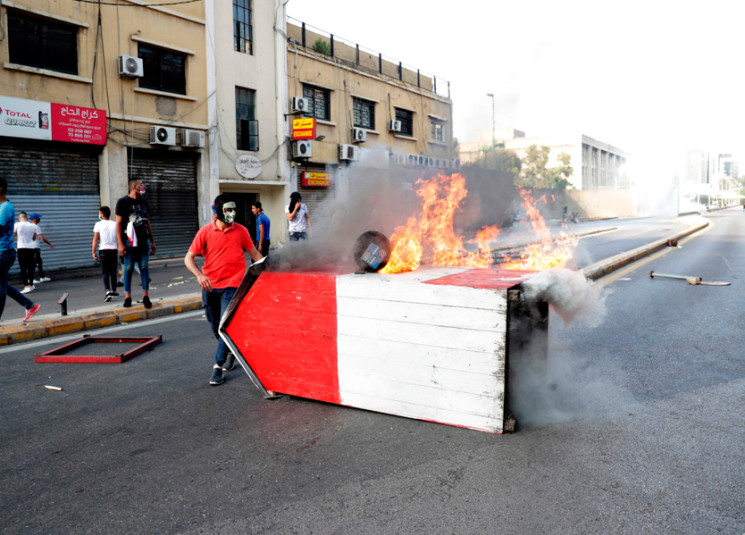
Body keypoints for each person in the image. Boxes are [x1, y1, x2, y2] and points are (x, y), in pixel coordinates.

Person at [184, 194, 263, 386]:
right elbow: (188, 258)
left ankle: (217, 366)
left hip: (233, 286)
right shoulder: (204, 232)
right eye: (228, 210)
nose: (232, 213)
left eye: (234, 209)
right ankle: (229, 350)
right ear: (218, 212)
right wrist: (200, 276)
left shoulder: (241, 231)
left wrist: (269, 269)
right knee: (214, 325)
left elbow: (255, 254)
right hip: (210, 286)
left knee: (224, 325)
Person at [0, 178, 40, 323]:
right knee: (2, 284)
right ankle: (29, 305)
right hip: (6, 250)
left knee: (0, 286)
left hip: (3, 251)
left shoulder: (5, 208)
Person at [115, 179, 156, 309]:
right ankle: (128, 297)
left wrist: (152, 241)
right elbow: (119, 223)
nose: (143, 187)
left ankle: (145, 296)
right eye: (140, 185)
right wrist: (120, 244)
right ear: (134, 187)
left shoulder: (144, 202)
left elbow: (147, 222)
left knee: (144, 267)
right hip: (129, 240)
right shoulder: (122, 202)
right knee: (128, 268)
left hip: (144, 240)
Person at [92, 206, 119, 302]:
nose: (99, 215)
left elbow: (95, 239)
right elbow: (119, 238)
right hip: (114, 250)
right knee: (113, 272)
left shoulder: (98, 224)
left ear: (102, 215)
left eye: (99, 213)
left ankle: (108, 291)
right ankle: (114, 291)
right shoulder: (115, 224)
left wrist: (93, 252)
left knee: (105, 272)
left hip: (103, 250)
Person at [13, 212, 37, 294]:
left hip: (22, 248)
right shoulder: (33, 225)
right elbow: (34, 238)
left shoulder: (17, 224)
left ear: (19, 218)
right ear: (26, 218)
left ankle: (26, 286)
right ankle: (31, 284)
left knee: (23, 268)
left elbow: (13, 235)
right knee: (31, 267)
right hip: (31, 248)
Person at [29, 213, 53, 284]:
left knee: (39, 262)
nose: (39, 219)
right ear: (35, 219)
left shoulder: (27, 226)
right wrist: (49, 243)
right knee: (33, 263)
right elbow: (42, 238)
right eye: (38, 218)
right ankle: (31, 279)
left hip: (29, 247)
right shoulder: (36, 227)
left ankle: (42, 277)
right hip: (35, 247)